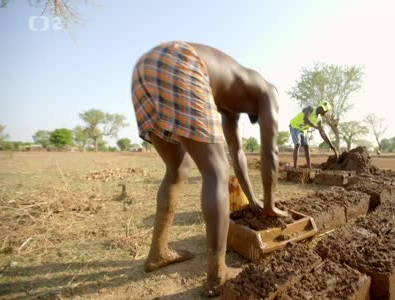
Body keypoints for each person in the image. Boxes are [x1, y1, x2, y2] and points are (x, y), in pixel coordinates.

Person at [131, 41, 287, 297]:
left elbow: (237, 152)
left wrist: (253, 199)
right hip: (182, 62)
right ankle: (217, 274)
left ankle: (158, 253)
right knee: (215, 172)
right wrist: (270, 205)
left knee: (177, 170)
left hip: (145, 68)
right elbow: (270, 151)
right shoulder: (268, 90)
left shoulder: (228, 103)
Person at [289, 102, 337, 168]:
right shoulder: (310, 109)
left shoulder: (319, 119)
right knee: (297, 144)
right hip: (295, 126)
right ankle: (295, 167)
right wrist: (316, 127)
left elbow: (322, 133)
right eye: (326, 111)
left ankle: (309, 167)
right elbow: (306, 119)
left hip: (303, 129)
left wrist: (331, 145)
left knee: (306, 146)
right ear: (321, 108)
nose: (325, 113)